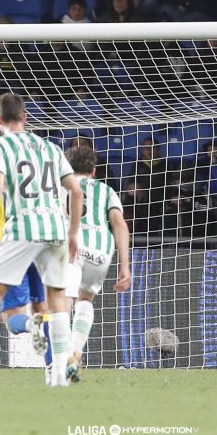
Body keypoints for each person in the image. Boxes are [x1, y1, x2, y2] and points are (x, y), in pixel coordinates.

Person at [0, 93, 83, 388]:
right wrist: (73, 232)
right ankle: (58, 376)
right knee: (56, 301)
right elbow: (76, 192)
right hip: (55, 228)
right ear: (25, 117)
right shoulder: (51, 147)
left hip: (22, 228)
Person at [0, 164, 53, 381]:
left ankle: (28, 325)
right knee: (43, 308)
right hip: (42, 242)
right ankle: (53, 367)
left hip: (10, 245)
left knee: (10, 316)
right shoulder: (38, 169)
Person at [62, 145, 131, 382]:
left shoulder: (61, 187)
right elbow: (119, 223)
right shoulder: (106, 190)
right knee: (85, 300)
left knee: (63, 301)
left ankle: (63, 356)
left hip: (71, 245)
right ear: (93, 171)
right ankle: (75, 351)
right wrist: (125, 265)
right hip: (101, 250)